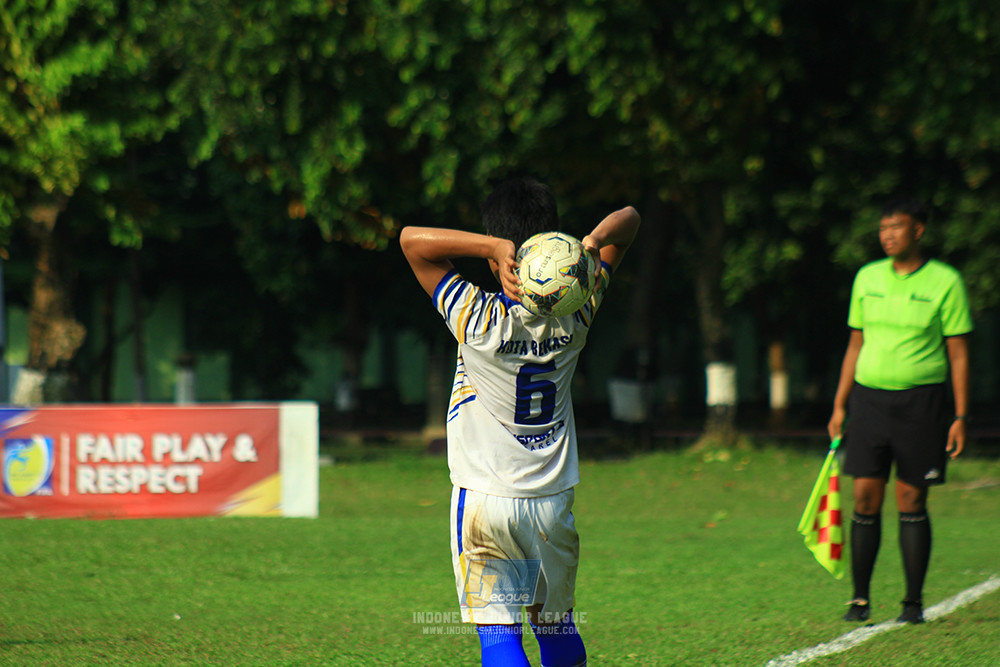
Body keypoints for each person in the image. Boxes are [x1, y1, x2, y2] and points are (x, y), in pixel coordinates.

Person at [400, 176, 640, 667]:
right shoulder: (582, 309)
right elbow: (630, 220)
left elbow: (411, 241)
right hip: (552, 502)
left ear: (499, 263)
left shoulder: (478, 317)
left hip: (485, 499)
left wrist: (489, 244)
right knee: (555, 626)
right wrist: (590, 245)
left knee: (498, 634)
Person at [827, 197, 973, 625]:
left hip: (921, 404)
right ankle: (859, 600)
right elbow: (855, 344)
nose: (888, 235)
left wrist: (961, 416)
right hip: (869, 402)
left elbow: (959, 354)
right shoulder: (867, 277)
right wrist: (839, 404)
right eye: (883, 228)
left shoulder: (945, 282)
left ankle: (912, 603)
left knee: (911, 498)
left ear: (918, 230)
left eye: (897, 227)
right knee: (864, 498)